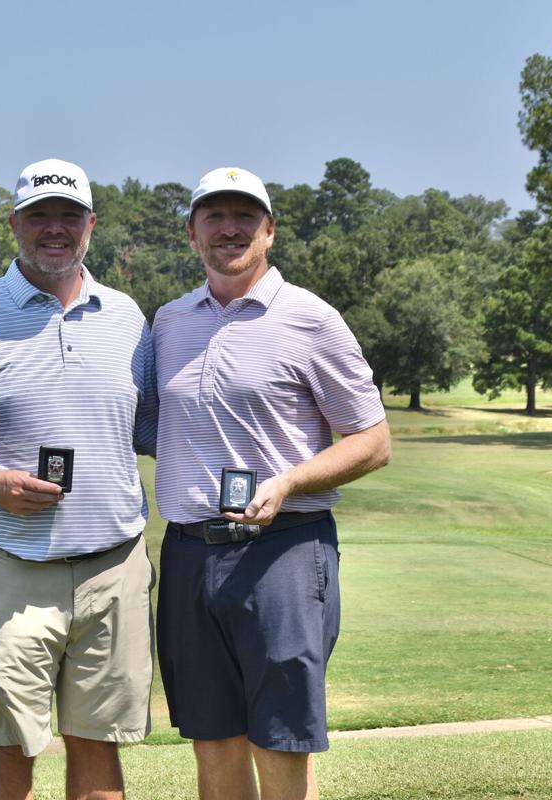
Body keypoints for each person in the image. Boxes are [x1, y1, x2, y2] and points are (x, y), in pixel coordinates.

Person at [0, 158, 157, 800]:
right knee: (11, 740)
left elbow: (149, 431)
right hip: (11, 564)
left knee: (101, 741)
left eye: (68, 216)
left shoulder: (128, 319)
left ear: (91, 225)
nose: (54, 229)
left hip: (114, 567)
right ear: (14, 224)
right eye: (38, 216)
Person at [152, 167, 391, 800]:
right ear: (191, 233)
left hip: (283, 551)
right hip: (189, 551)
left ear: (270, 231)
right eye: (214, 216)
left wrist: (288, 481)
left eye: (245, 217)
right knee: (214, 745)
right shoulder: (170, 322)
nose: (229, 229)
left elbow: (373, 440)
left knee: (281, 744)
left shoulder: (310, 318)